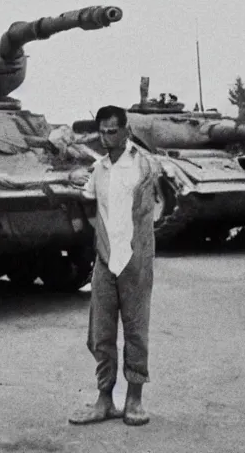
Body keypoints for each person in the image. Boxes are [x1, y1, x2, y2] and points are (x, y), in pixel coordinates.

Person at [63, 105, 160, 427]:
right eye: (102, 132)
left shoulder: (145, 165)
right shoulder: (99, 168)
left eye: (113, 131)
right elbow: (89, 203)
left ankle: (134, 399)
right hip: (106, 261)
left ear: (126, 130)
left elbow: (153, 207)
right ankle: (104, 399)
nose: (107, 138)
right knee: (100, 335)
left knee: (135, 332)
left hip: (135, 259)